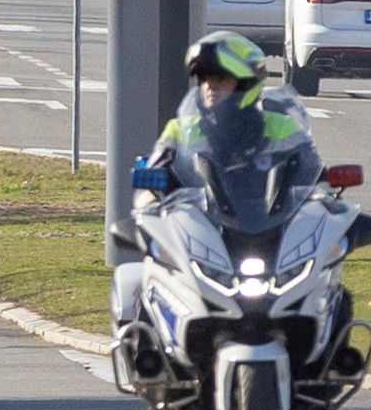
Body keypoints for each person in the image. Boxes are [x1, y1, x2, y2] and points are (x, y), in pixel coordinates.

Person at [113, 32, 321, 329]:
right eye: (205, 80)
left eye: (221, 79)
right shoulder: (182, 129)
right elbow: (155, 171)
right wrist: (149, 200)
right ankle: (146, 345)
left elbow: (312, 173)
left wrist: (323, 191)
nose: (210, 88)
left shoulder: (282, 127)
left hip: (269, 229)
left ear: (247, 85)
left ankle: (329, 352)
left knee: (326, 282)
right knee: (156, 277)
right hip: (203, 232)